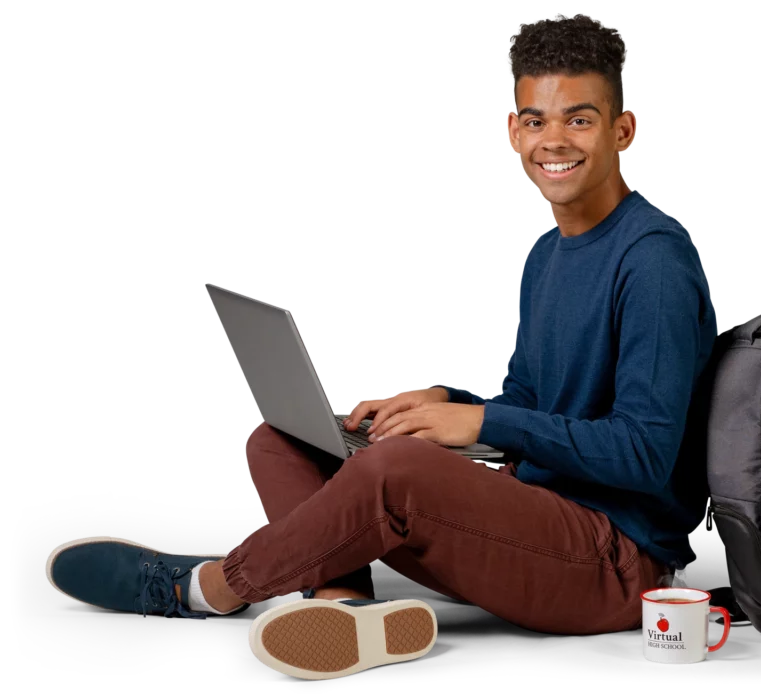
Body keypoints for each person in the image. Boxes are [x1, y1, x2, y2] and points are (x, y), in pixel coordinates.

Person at [44, 13, 718, 681]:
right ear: (514, 130)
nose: (555, 141)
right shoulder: (548, 255)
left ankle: (202, 590)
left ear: (623, 129)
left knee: (394, 470)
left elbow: (643, 454)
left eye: (580, 119)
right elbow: (530, 403)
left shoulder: (652, 261)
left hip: (616, 564)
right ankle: (346, 603)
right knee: (281, 442)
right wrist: (445, 402)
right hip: (535, 520)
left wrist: (479, 423)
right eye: (537, 120)